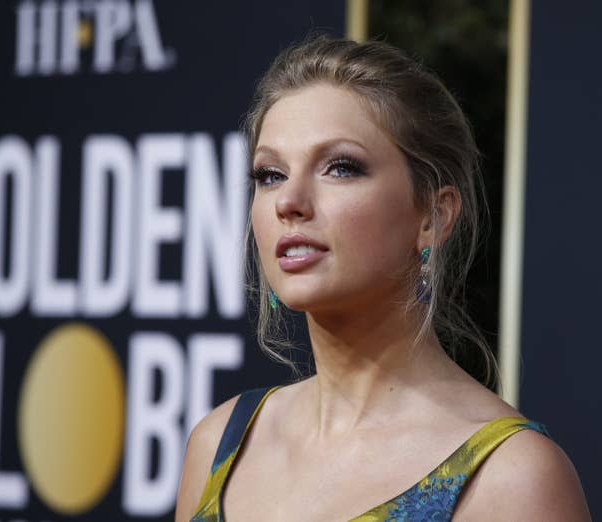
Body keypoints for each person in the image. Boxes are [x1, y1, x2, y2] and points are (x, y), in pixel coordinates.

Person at [175, 35, 591, 521]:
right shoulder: (218, 445)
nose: (289, 201)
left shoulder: (511, 479)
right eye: (270, 175)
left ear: (433, 216)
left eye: (341, 167)